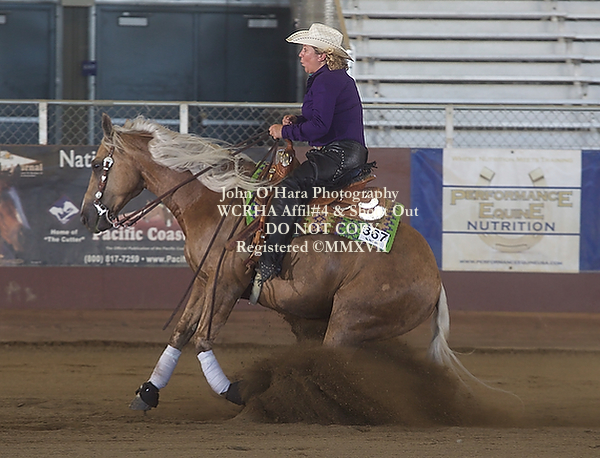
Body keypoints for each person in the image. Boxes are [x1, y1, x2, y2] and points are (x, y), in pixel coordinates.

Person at [254, 22, 370, 287]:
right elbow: (322, 119)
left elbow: (320, 127)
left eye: (305, 49)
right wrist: (297, 120)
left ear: (323, 56)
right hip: (344, 153)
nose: (300, 54)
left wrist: (284, 131)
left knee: (287, 188)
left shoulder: (326, 81)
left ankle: (270, 261)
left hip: (339, 155)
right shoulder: (331, 79)